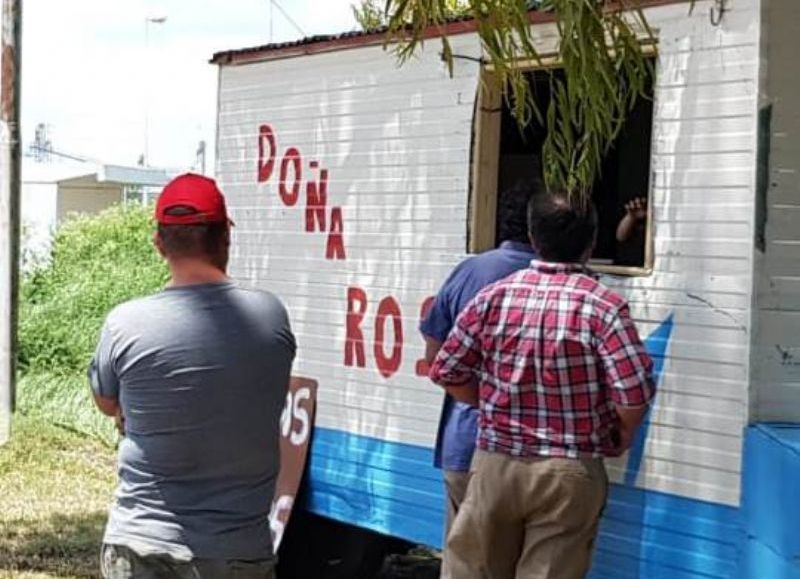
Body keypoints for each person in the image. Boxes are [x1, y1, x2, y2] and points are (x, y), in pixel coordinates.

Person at [429, 192, 655, 579]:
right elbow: (633, 391)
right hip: (568, 470)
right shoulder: (603, 306)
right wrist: (624, 432)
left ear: (533, 239)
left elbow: (446, 369)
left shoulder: (494, 297)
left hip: (496, 463)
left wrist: (490, 404)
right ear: (591, 242)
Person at [89, 173, 295, 579]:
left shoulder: (125, 324)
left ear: (158, 243)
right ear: (225, 240)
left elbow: (107, 402)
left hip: (143, 543)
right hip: (237, 552)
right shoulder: (271, 317)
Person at [419, 183, 537, 578]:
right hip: (540, 453)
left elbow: (435, 359)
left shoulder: (471, 270)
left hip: (467, 443)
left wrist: (482, 399)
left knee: (465, 566)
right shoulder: (569, 283)